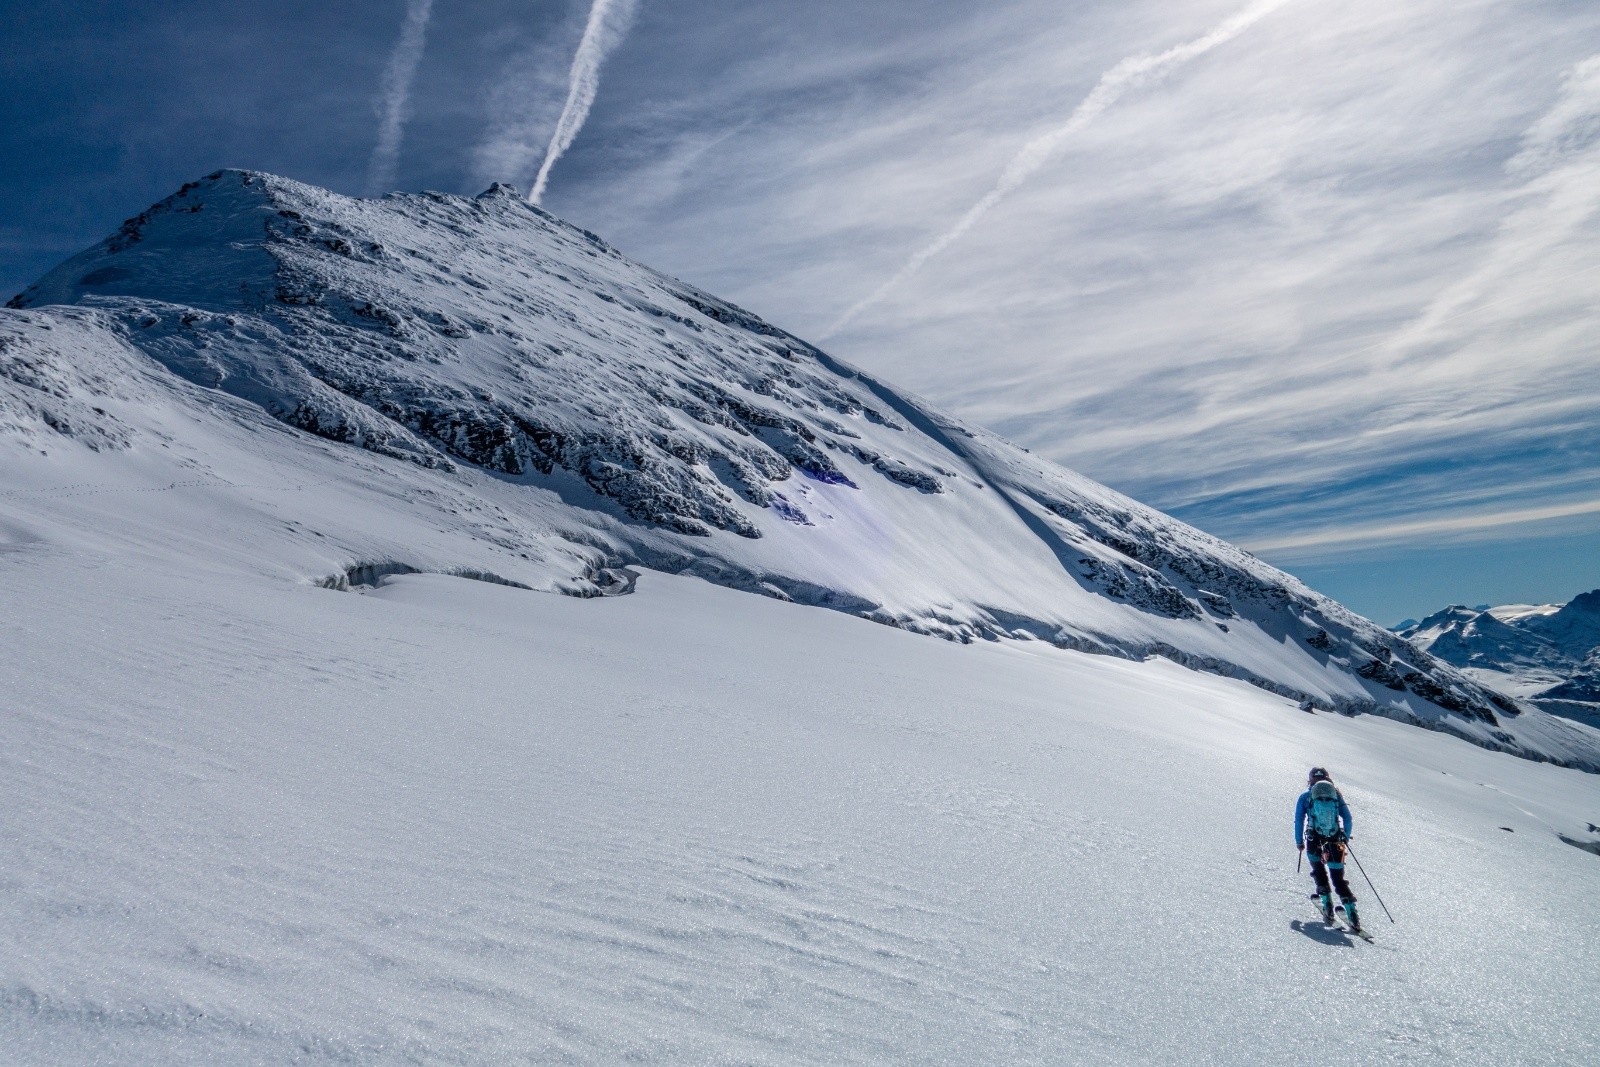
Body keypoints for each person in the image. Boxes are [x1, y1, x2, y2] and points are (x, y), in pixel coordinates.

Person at [1295, 767, 1360, 931]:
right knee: (1338, 877)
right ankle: (1352, 913)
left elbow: (1298, 820)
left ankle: (1327, 905)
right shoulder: (1336, 796)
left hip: (1313, 839)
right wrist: (1345, 837)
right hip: (1335, 840)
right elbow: (1348, 818)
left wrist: (1299, 842)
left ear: (1310, 780)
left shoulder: (1305, 797)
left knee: (1319, 871)